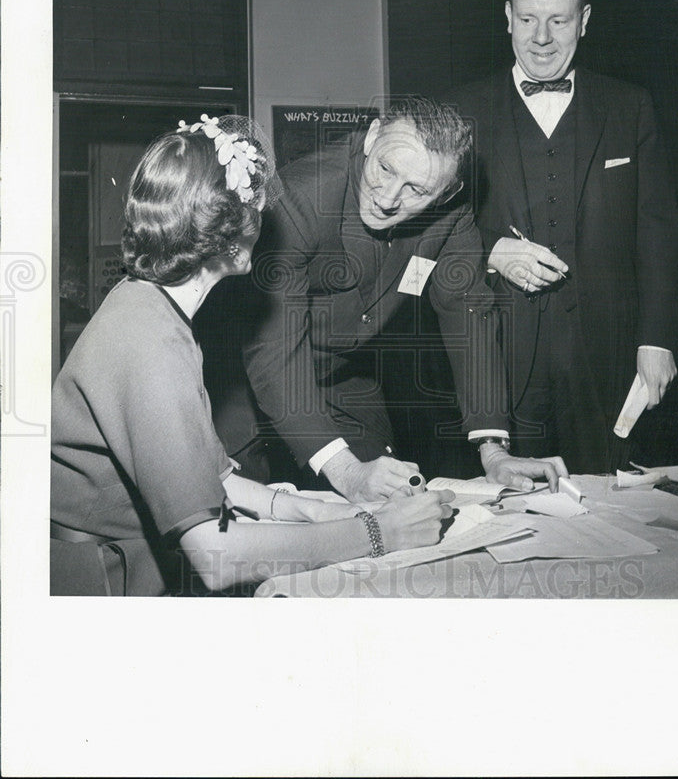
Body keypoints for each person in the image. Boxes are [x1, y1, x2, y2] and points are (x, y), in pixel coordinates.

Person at [50, 114, 455, 596]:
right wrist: (377, 534)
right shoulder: (150, 340)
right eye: (256, 207)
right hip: (98, 584)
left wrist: (314, 510)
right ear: (229, 228)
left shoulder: (152, 307)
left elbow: (211, 477)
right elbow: (217, 557)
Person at [202, 97, 568, 503]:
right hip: (241, 387)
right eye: (386, 169)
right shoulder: (300, 199)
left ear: (448, 192)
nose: (389, 198)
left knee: (396, 502)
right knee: (262, 518)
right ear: (372, 137)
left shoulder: (451, 212)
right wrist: (345, 470)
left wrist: (493, 450)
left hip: (341, 379)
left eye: (416, 189)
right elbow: (273, 353)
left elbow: (469, 315)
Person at [447, 0, 678, 474]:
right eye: (528, 19)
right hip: (497, 353)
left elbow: (658, 234)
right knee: (514, 515)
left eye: (559, 20)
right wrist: (492, 252)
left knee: (609, 511)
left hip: (608, 354)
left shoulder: (630, 106)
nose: (542, 37)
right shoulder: (461, 111)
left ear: (585, 20)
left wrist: (657, 337)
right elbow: (428, 235)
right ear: (508, 18)